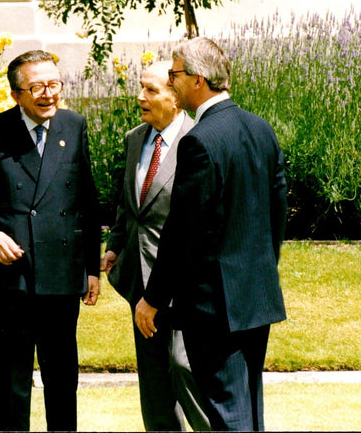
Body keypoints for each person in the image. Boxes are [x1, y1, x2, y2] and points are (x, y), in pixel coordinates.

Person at [135, 37, 287, 431]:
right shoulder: (261, 128)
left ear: (198, 79)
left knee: (227, 413)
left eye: (174, 74)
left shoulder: (198, 141)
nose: (171, 82)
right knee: (248, 409)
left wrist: (152, 299)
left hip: (213, 307)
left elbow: (183, 232)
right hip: (256, 297)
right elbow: (277, 214)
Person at [0, 50, 101, 431]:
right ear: (16, 95)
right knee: (10, 382)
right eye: (37, 87)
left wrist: (92, 269)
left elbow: (86, 202)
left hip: (61, 274)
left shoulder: (74, 126)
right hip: (11, 278)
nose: (48, 94)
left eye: (54, 84)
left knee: (62, 380)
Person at [101, 60, 210, 432]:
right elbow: (128, 204)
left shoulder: (199, 140)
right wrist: (115, 246)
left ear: (176, 97)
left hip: (183, 281)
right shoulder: (135, 138)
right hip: (139, 280)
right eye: (140, 88)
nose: (140, 97)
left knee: (185, 369)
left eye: (151, 90)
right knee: (154, 384)